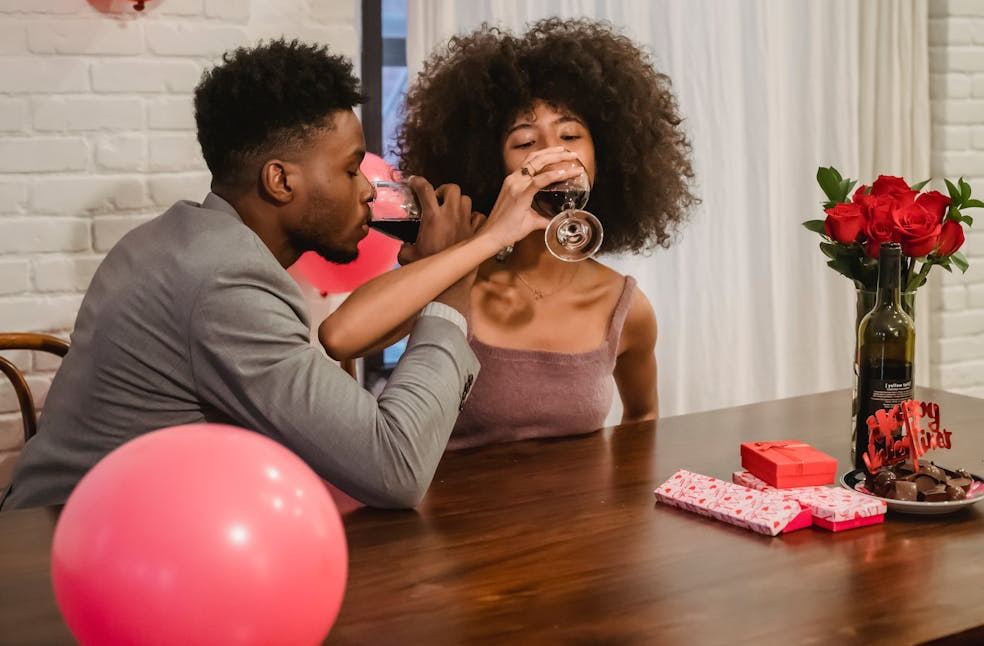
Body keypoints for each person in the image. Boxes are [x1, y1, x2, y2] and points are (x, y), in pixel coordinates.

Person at [0, 39, 579, 510]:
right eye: (352, 168)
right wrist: (461, 267)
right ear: (280, 181)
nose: (366, 190)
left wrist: (437, 267)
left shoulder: (173, 238)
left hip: (126, 522)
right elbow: (394, 468)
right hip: (65, 558)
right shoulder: (225, 283)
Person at [323, 19, 697, 448]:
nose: (551, 152)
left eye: (570, 134)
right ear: (491, 167)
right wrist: (490, 239)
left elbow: (644, 416)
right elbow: (340, 336)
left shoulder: (625, 309)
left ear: (603, 155)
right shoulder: (459, 280)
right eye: (524, 142)